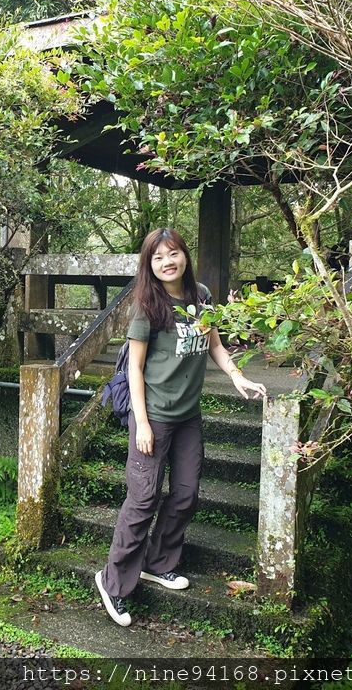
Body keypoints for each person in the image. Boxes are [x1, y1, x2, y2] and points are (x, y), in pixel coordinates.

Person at [95, 228, 267, 627]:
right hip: (153, 415)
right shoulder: (148, 307)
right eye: (158, 257)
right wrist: (141, 422)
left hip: (188, 415)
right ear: (149, 265)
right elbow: (134, 369)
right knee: (142, 500)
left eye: (173, 254)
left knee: (186, 494)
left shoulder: (201, 296)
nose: (167, 262)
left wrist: (238, 377)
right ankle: (114, 582)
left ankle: (159, 562)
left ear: (184, 256)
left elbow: (216, 346)